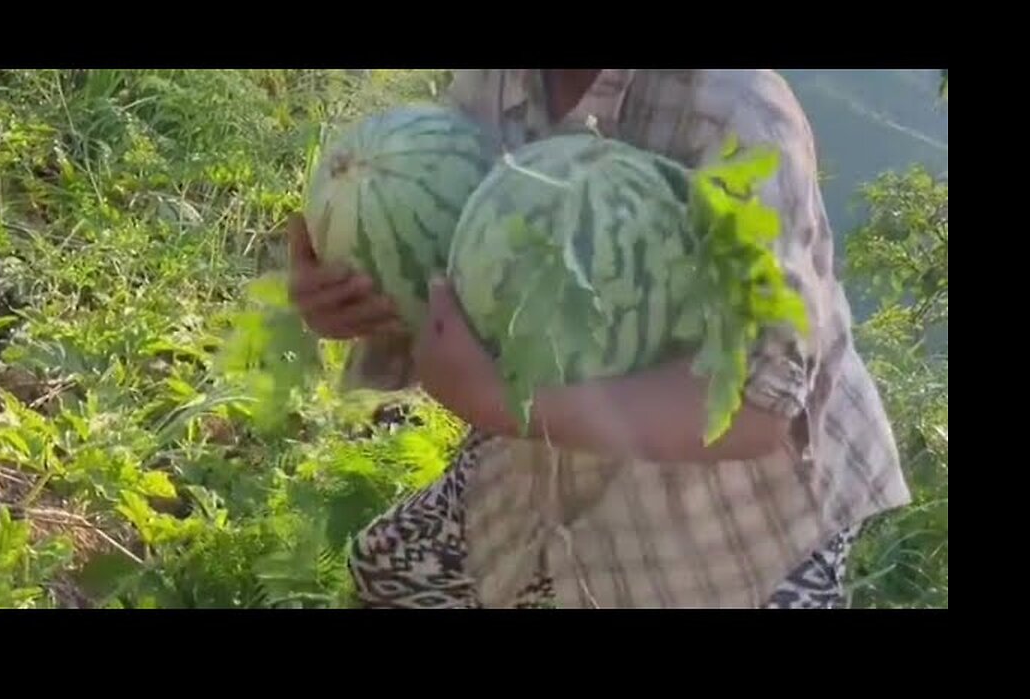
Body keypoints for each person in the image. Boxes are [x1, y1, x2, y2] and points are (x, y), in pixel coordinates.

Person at [287, 69, 911, 608]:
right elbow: (452, 255)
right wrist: (359, 301)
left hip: (745, 508)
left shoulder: (738, 111)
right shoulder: (500, 82)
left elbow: (758, 407)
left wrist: (499, 406)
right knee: (387, 576)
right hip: (563, 446)